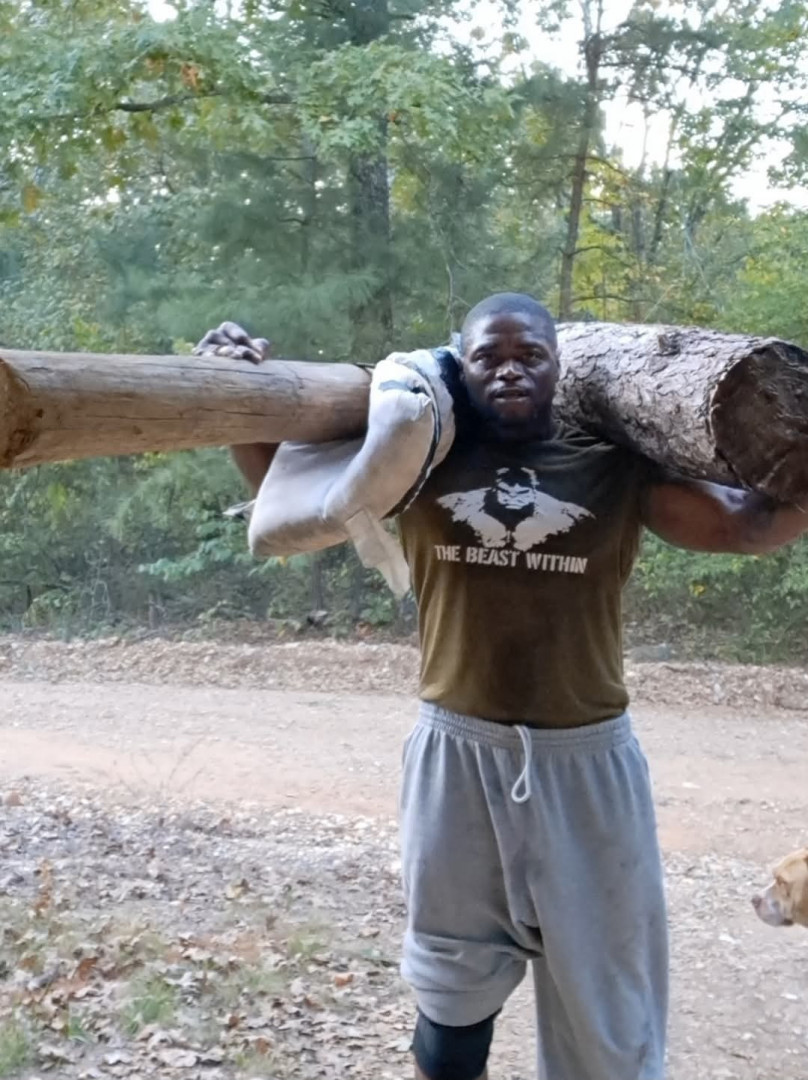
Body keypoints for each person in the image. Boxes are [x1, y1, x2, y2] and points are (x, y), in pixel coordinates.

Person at [196, 294, 808, 1080]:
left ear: (561, 366)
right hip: (455, 759)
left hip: (588, 770)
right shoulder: (419, 452)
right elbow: (291, 492)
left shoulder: (612, 463)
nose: (510, 370)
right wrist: (239, 385)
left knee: (611, 1025)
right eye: (490, 356)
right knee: (449, 1007)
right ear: (463, 364)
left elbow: (747, 524)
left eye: (530, 356)